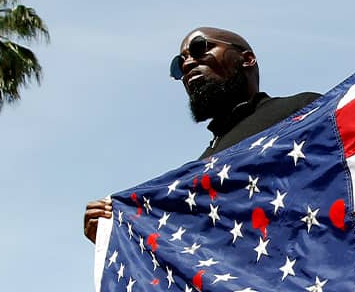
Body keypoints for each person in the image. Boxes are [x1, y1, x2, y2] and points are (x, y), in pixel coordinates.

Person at [82, 27, 320, 241]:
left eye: (199, 48)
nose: (187, 65)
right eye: (179, 63)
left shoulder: (302, 109)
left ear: (246, 59)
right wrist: (120, 231)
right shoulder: (198, 171)